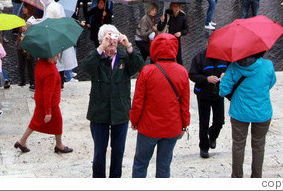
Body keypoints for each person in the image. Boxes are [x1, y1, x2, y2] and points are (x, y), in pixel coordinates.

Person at [78, 24, 144, 178]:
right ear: (102, 40)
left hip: (120, 111)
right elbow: (86, 67)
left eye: (114, 37)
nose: (112, 41)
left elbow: (139, 65)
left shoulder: (124, 56)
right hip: (99, 112)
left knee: (118, 152)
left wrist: (128, 45)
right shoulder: (96, 56)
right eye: (108, 37)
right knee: (99, 153)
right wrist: (101, 48)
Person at [129, 33, 190, 178]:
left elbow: (138, 101)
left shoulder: (147, 71)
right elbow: (184, 103)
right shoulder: (182, 72)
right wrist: (184, 124)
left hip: (149, 128)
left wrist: (134, 121)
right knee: (164, 166)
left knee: (140, 164)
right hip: (171, 128)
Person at [219, 51, 277, 178]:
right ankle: (256, 177)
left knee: (238, 145)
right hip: (262, 112)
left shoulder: (234, 67)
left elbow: (223, 91)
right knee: (259, 145)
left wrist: (224, 79)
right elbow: (271, 82)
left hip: (240, 112)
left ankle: (237, 176)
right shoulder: (268, 65)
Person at [14, 51, 72, 154]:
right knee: (58, 122)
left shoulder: (40, 63)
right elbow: (48, 93)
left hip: (39, 99)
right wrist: (48, 111)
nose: (58, 56)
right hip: (50, 103)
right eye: (55, 54)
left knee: (35, 122)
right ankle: (59, 145)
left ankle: (22, 141)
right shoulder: (52, 72)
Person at [189, 47, 228, 159]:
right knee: (204, 122)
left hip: (219, 93)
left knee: (219, 121)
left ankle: (212, 136)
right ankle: (204, 147)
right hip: (203, 94)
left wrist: (225, 74)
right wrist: (206, 79)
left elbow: (231, 70)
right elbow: (192, 74)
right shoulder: (199, 58)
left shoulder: (224, 57)